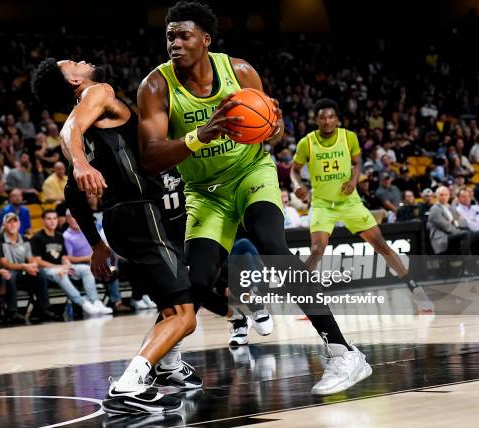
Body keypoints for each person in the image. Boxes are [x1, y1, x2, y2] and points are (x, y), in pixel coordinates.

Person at [136, 2, 372, 398]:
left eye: (183, 35)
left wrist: (274, 126)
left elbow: (268, 132)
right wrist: (200, 135)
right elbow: (150, 156)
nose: (174, 43)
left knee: (274, 247)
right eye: (169, 36)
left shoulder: (240, 72)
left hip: (251, 174)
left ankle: (343, 351)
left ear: (205, 40)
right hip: (204, 192)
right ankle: (169, 363)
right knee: (195, 280)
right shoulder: (156, 87)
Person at [33, 58, 201, 414]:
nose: (82, 60)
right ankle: (129, 384)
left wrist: (96, 244)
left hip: (119, 221)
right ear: (75, 80)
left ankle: (167, 367)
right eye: (73, 63)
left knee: (171, 308)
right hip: (142, 213)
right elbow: (69, 143)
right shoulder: (99, 92)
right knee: (186, 315)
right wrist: (80, 164)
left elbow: (72, 194)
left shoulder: (81, 127)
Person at [291, 99, 433, 313]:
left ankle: (415, 290)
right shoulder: (306, 143)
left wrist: (354, 181)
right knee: (317, 249)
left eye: (331, 117)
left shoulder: (349, 137)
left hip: (350, 202)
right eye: (322, 117)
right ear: (316, 120)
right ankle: (303, 298)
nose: (327, 121)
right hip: (322, 204)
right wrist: (298, 185)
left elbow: (357, 162)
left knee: (380, 245)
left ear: (337, 119)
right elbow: (294, 170)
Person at [30, 210, 105, 317]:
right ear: (43, 221)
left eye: (55, 218)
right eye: (49, 219)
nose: (52, 221)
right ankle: (83, 303)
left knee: (86, 269)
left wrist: (66, 264)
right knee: (61, 273)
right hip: (47, 269)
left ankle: (95, 301)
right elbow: (37, 261)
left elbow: (64, 256)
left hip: (61, 266)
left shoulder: (60, 236)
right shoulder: (37, 237)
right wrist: (60, 267)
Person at [0, 212, 56, 323]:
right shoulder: (0, 241)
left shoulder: (25, 239)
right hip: (8, 271)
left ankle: (44, 308)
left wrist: (33, 265)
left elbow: (31, 259)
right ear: (4, 225)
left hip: (23, 271)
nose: (12, 225)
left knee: (40, 273)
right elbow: (5, 264)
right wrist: (24, 266)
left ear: (19, 224)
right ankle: (12, 311)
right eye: (9, 222)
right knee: (10, 276)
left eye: (14, 221)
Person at [62, 213, 114, 314]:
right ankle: (94, 300)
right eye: (71, 218)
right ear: (67, 220)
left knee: (113, 267)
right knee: (90, 269)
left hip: (93, 261)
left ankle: (117, 301)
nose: (74, 220)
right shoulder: (66, 236)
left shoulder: (88, 231)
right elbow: (68, 258)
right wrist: (89, 258)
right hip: (79, 264)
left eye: (75, 217)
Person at [428, 186, 479, 255]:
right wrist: (458, 227)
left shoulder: (451, 207)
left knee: (475, 234)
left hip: (453, 234)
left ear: (449, 196)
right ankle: (467, 261)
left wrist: (454, 222)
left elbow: (464, 222)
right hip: (442, 237)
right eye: (441, 195)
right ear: (437, 196)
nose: (444, 197)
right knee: (466, 234)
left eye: (446, 195)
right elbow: (446, 227)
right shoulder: (435, 209)